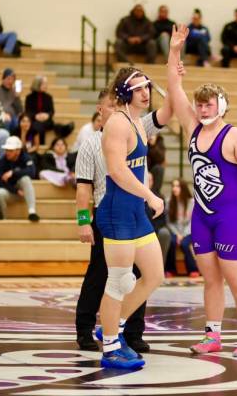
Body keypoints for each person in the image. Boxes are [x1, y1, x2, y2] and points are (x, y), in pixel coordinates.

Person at [168, 24, 237, 358]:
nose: (202, 109)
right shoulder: (192, 129)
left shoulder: (235, 136)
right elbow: (175, 89)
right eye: (200, 105)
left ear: (221, 106)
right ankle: (213, 335)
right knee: (210, 280)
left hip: (231, 216)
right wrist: (175, 51)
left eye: (208, 105)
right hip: (202, 217)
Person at [74, 79, 178, 357]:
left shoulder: (137, 124)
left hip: (134, 210)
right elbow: (84, 187)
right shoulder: (92, 143)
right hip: (109, 212)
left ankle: (120, 329)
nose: (113, 110)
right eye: (109, 106)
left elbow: (169, 111)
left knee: (150, 275)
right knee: (103, 278)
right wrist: (83, 220)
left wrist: (173, 65)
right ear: (101, 110)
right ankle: (89, 331)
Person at [0, 136, 40, 222]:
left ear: (18, 151)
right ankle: (3, 218)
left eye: (10, 150)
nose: (7, 152)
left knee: (25, 179)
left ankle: (32, 212)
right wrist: (15, 191)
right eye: (6, 150)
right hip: (11, 191)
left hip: (24, 192)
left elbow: (32, 172)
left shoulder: (26, 157)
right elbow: (0, 182)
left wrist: (13, 172)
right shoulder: (1, 161)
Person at [165, 178, 199, 278]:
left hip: (189, 232)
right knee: (171, 242)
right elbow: (169, 222)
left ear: (183, 188)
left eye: (177, 186)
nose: (174, 188)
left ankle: (193, 269)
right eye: (173, 186)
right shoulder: (169, 201)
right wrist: (177, 234)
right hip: (175, 232)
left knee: (184, 244)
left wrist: (183, 235)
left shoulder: (192, 202)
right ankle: (170, 269)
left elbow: (192, 222)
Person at [24, 75, 73, 145]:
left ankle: (64, 129)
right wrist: (35, 116)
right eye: (44, 84)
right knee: (38, 125)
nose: (46, 86)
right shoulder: (29, 97)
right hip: (34, 121)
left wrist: (47, 115)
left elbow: (52, 111)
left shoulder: (48, 97)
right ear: (38, 84)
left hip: (46, 121)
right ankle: (41, 144)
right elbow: (28, 111)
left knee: (49, 124)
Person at [147, 172, 171, 270]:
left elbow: (162, 220)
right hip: (138, 229)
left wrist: (152, 230)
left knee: (165, 233)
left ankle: (160, 268)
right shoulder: (134, 195)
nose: (148, 182)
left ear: (152, 182)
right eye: (146, 180)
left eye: (149, 180)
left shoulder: (158, 197)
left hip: (154, 229)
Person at [0, 68, 23, 132]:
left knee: (19, 123)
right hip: (1, 115)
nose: (10, 81)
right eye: (8, 79)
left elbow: (20, 110)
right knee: (7, 122)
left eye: (12, 79)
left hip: (13, 116)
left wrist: (17, 97)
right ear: (3, 79)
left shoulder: (14, 92)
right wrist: (3, 114)